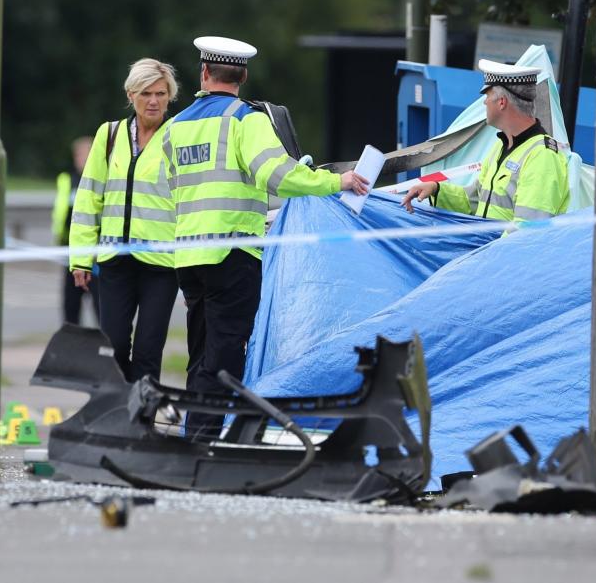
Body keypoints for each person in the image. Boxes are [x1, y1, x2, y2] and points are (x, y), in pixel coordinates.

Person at [162, 36, 369, 439]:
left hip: (189, 256)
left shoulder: (175, 127)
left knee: (200, 353)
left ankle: (194, 434)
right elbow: (276, 174)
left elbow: (176, 188)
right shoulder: (245, 119)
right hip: (232, 253)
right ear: (243, 76)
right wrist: (334, 180)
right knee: (224, 356)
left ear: (204, 73)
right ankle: (205, 442)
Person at [69, 58, 181, 383]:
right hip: (116, 261)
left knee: (148, 350)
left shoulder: (179, 138)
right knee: (115, 344)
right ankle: (117, 412)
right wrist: (80, 259)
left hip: (162, 264)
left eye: (161, 93)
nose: (154, 101)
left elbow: (189, 205)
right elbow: (89, 198)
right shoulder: (109, 135)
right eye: (146, 93)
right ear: (131, 94)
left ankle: (141, 421)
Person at [401, 59, 569, 222]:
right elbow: (475, 201)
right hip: (491, 249)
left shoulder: (542, 157)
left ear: (502, 102)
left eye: (487, 95)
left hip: (503, 250)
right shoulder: (502, 146)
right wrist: (436, 189)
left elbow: (527, 232)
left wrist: (488, 251)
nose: (484, 102)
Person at [53, 136, 101, 324]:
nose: (81, 158)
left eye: (85, 154)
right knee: (70, 306)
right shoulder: (66, 180)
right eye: (78, 154)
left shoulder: (102, 180)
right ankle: (71, 346)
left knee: (101, 307)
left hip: (96, 255)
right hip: (70, 250)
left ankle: (107, 348)